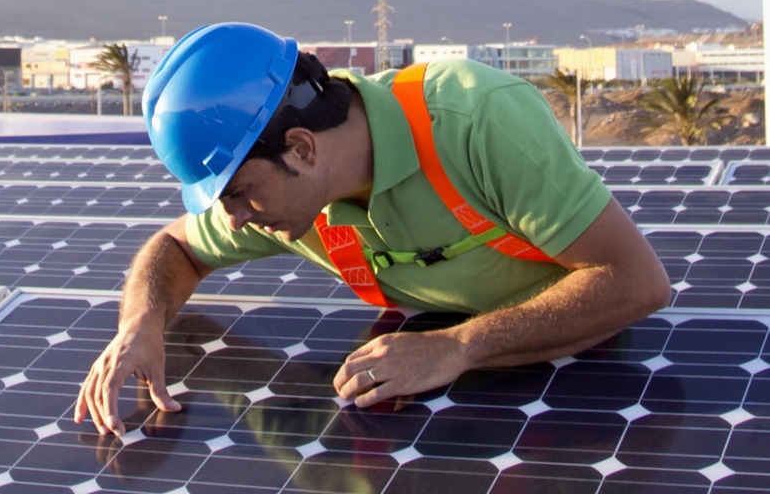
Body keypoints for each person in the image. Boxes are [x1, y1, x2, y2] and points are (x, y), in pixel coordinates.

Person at [74, 22, 670, 437]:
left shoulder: (475, 120)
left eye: (235, 192)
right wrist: (141, 321)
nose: (233, 218)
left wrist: (457, 347)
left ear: (302, 147)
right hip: (453, 416)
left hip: (591, 392)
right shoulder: (288, 199)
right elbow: (173, 245)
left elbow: (636, 282)